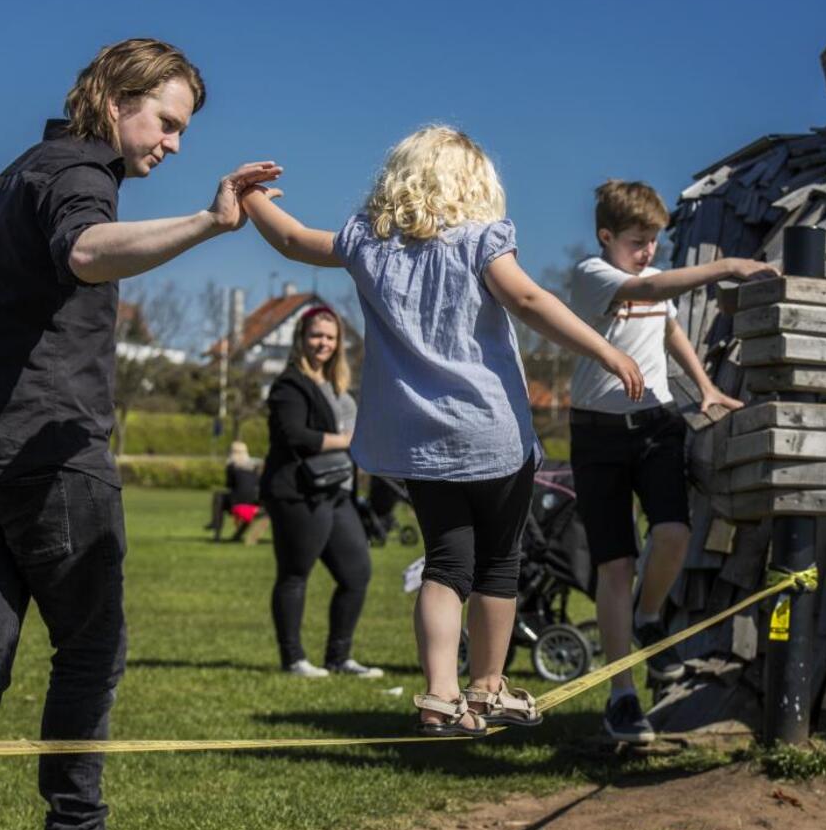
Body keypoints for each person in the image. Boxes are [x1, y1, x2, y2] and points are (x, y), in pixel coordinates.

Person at [0, 37, 280, 830]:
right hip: (49, 462)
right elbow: (84, 250)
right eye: (167, 120)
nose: (174, 143)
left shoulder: (15, 174)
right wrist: (206, 221)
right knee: (91, 650)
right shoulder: (80, 174)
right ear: (118, 99)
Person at [240, 126, 644, 735]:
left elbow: (294, 240)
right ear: (475, 184)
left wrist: (250, 198)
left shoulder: (367, 244)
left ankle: (439, 693)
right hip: (491, 436)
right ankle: (489, 685)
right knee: (499, 567)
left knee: (445, 565)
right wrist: (604, 352)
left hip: (419, 445)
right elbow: (530, 301)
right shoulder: (481, 241)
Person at [568, 179, 774, 743]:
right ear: (606, 236)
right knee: (615, 566)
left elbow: (671, 329)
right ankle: (622, 695)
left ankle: (649, 616)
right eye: (637, 240)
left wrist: (705, 386)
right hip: (597, 436)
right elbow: (649, 285)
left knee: (674, 533)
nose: (648, 250)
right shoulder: (594, 276)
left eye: (655, 240)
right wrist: (727, 265)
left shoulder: (652, 283)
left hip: (658, 427)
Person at [262, 305, 382, 677]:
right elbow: (294, 436)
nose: (323, 343)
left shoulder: (336, 384)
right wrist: (347, 441)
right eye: (317, 335)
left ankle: (339, 657)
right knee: (295, 573)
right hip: (300, 491)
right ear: (301, 338)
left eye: (330, 337)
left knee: (356, 574)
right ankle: (294, 659)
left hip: (337, 490)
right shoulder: (290, 384)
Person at [206, 440, 261, 540]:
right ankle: (236, 535)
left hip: (236, 504)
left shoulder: (231, 466)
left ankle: (216, 530)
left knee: (218, 497)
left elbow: (229, 485)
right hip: (255, 503)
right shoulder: (255, 466)